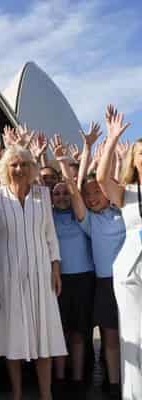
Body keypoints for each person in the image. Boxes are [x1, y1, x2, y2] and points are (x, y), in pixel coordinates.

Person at [0, 144, 66, 400]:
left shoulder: (43, 194)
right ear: (5, 168)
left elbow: (50, 236)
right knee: (13, 336)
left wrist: (56, 268)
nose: (19, 169)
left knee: (44, 335)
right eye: (14, 164)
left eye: (23, 164)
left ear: (32, 167)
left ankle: (46, 394)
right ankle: (17, 394)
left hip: (41, 274)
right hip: (7, 275)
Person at [51, 133, 124, 399]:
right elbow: (74, 188)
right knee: (107, 336)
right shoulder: (87, 221)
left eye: (98, 193)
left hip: (117, 281)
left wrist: (112, 155)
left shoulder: (124, 211)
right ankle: (113, 385)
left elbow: (106, 182)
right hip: (96, 282)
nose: (92, 198)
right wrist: (63, 163)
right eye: (88, 195)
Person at [96, 105, 142, 400]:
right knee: (134, 337)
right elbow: (101, 179)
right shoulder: (126, 193)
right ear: (135, 161)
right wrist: (112, 139)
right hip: (130, 271)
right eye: (140, 153)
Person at [51, 181, 95, 398]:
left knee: (78, 333)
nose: (61, 197)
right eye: (56, 193)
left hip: (83, 279)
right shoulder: (46, 217)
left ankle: (77, 379)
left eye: (65, 193)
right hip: (58, 281)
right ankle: (59, 378)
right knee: (61, 333)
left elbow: (77, 188)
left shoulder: (81, 214)